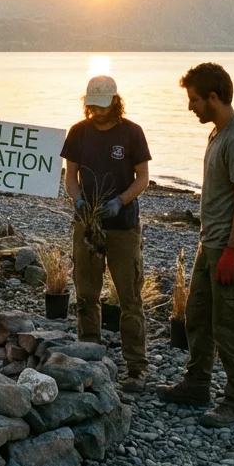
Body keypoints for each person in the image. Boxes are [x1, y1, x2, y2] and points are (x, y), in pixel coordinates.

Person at [159, 62, 234, 428]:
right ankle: (197, 384)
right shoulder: (218, 134)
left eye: (194, 99)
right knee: (198, 318)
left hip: (232, 247)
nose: (190, 107)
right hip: (211, 244)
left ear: (214, 98)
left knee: (231, 327)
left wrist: (232, 253)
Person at [61, 75, 152, 395]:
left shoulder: (131, 133)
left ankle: (136, 367)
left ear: (116, 100)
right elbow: (70, 178)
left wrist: (120, 201)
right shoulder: (78, 133)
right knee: (86, 293)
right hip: (87, 223)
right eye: (92, 106)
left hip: (123, 226)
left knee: (130, 296)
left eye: (103, 105)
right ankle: (89, 354)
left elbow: (143, 178)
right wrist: (78, 200)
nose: (98, 112)